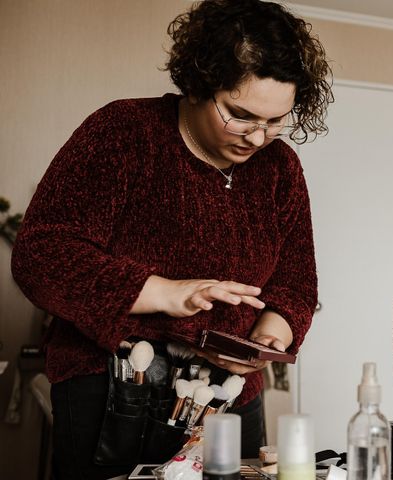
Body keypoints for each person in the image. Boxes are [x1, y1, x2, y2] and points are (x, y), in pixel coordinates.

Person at [11, 0, 332, 478]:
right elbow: (41, 254)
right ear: (199, 83)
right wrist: (166, 292)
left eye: (276, 120)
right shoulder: (122, 132)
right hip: (116, 392)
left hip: (230, 395)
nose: (259, 138)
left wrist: (266, 339)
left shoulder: (281, 169)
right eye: (241, 115)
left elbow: (296, 286)